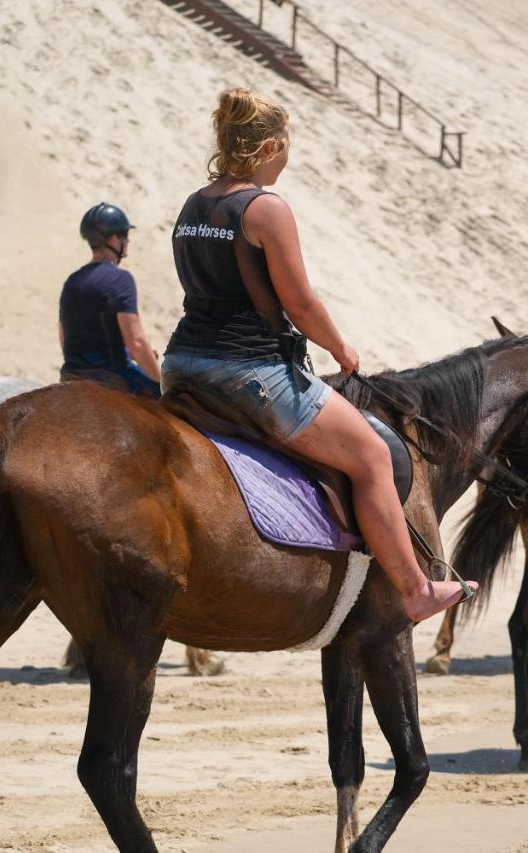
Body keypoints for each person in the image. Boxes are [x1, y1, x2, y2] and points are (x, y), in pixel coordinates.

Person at [160, 87, 473, 621]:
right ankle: (416, 590)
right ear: (268, 148)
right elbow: (299, 303)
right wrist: (340, 348)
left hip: (183, 365)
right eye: (285, 148)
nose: (287, 159)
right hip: (249, 372)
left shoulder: (195, 203)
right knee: (373, 455)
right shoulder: (264, 209)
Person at [59, 203, 162, 398]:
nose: (127, 242)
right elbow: (136, 342)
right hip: (111, 377)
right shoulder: (120, 279)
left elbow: (64, 337)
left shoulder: (71, 281)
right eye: (125, 236)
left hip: (70, 375)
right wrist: (161, 381)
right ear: (114, 240)